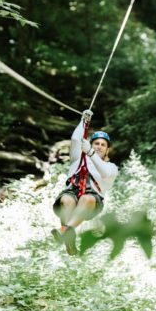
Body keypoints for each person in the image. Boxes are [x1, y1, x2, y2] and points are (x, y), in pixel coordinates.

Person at [52, 109, 118, 255]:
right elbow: (76, 139)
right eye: (96, 143)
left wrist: (91, 153)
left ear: (107, 150)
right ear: (90, 144)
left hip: (92, 199)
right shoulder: (78, 158)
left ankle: (65, 231)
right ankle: (69, 236)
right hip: (72, 191)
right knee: (66, 200)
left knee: (87, 199)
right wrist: (83, 121)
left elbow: (104, 173)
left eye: (102, 144)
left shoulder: (111, 167)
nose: (99, 146)